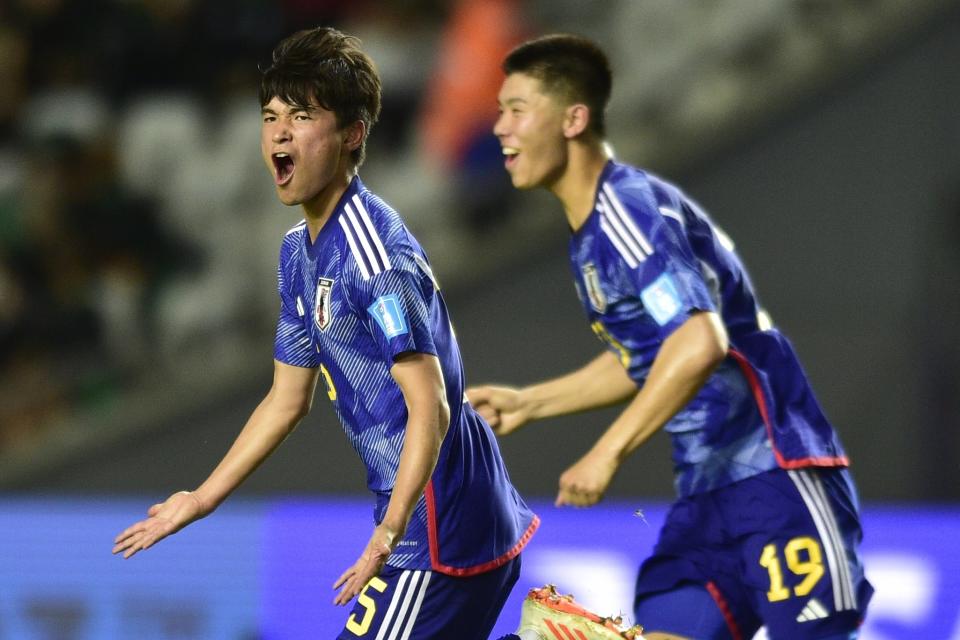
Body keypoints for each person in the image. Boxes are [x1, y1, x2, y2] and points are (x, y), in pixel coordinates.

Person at [112, 27, 538, 639]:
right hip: (429, 522)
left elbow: (431, 406)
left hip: (439, 529)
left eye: (302, 115)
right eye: (270, 115)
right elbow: (288, 399)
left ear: (352, 134)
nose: (279, 132)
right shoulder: (298, 254)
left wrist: (385, 538)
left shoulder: (373, 256)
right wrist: (200, 499)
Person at [469, 34, 873, 640]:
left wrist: (608, 451)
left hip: (777, 477)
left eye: (517, 109)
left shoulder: (625, 211)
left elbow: (698, 341)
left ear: (574, 118)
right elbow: (652, 355)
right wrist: (532, 402)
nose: (499, 127)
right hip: (707, 496)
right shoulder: (593, 236)